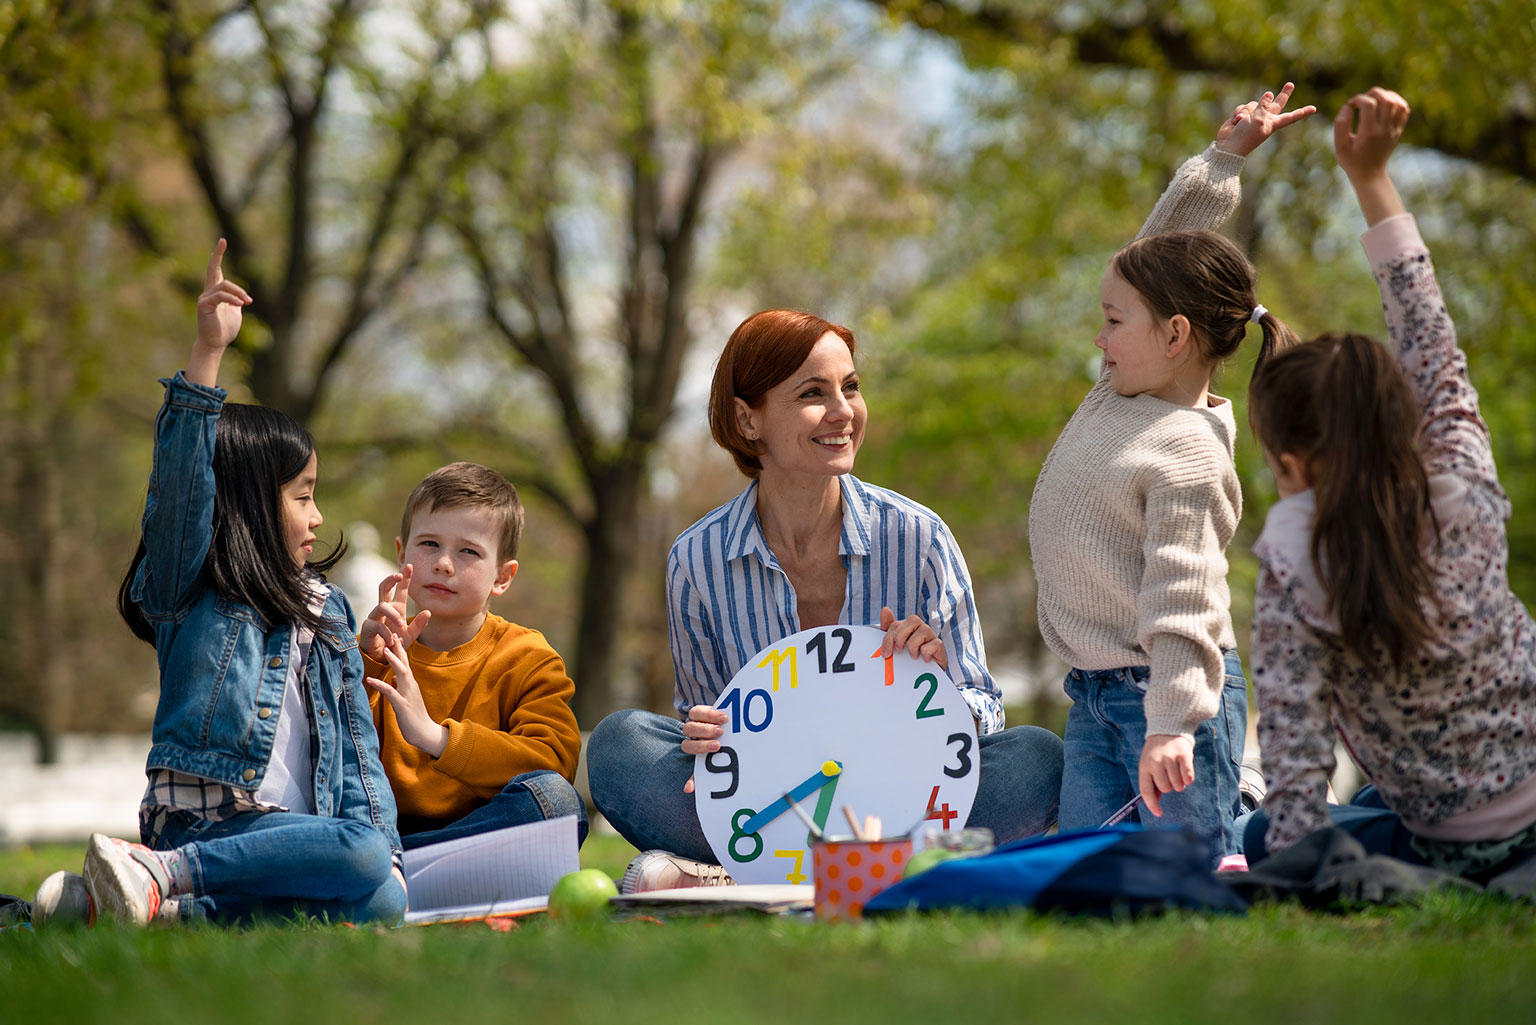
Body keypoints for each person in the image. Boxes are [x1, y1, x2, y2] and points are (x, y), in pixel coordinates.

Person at [588, 308, 1066, 892]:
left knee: (1035, 758)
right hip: (774, 805)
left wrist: (940, 687)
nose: (843, 412)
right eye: (813, 393)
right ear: (748, 418)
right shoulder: (697, 559)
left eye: (851, 387)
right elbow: (706, 732)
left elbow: (984, 710)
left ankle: (731, 878)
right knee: (619, 745)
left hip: (906, 792)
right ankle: (885, 874)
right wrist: (704, 731)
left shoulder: (917, 539)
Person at [35, 240, 406, 927]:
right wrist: (207, 358)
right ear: (248, 500)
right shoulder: (194, 584)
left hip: (297, 841)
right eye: (303, 495)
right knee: (357, 858)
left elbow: (358, 752)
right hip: (201, 829)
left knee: (378, 882)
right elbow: (180, 489)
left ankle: (153, 905)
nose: (318, 515)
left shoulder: (329, 612)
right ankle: (165, 868)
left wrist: (388, 857)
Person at [1241, 89, 1536, 887]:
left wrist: (1300, 859)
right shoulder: (1463, 484)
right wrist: (1370, 176)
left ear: (1295, 464)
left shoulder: (1294, 564)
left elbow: (1298, 775)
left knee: (1267, 824)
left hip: (1443, 841)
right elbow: (1429, 335)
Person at [1032, 85, 1313, 865]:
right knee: (1093, 875)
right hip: (1095, 696)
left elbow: (1185, 599)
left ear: (1176, 335)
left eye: (1113, 322)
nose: (1101, 333)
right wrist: (1224, 160)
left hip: (1170, 701)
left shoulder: (1186, 448)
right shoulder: (1115, 388)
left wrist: (1170, 723)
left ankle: (1245, 830)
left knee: (1190, 873)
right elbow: (1156, 255)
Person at [360, 462, 586, 849]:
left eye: (468, 551)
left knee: (556, 802)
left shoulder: (527, 656)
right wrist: (362, 660)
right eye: (429, 544)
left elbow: (553, 761)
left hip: (484, 830)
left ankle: (401, 874)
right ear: (401, 554)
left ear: (503, 576)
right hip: (384, 829)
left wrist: (437, 738)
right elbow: (332, 758)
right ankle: (415, 874)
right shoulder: (375, 647)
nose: (443, 563)